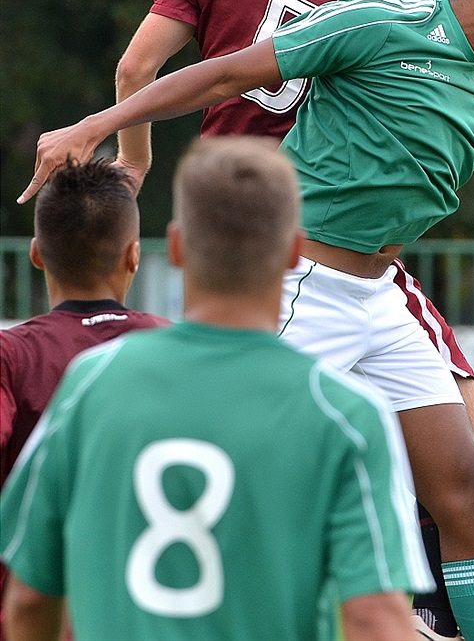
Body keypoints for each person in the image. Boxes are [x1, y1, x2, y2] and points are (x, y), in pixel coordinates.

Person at [19, 0, 474, 640]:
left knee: (470, 496)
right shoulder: (387, 16)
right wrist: (100, 123)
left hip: (379, 297)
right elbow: (225, 74)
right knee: (217, 481)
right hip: (305, 288)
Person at [113, 0, 474, 640]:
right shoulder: (390, 4)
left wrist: (132, 165)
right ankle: (416, 615)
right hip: (321, 239)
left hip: (224, 233)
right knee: (466, 447)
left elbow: (135, 68)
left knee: (232, 446)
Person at [1, 136, 434, 641]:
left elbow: (31, 597)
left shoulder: (92, 382)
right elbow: (374, 617)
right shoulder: (344, 412)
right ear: (295, 250)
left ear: (177, 246)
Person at [0, 158, 168, 638]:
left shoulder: (12, 357)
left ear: (36, 253)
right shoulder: (179, 351)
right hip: (152, 616)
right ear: (134, 255)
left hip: (35, 618)